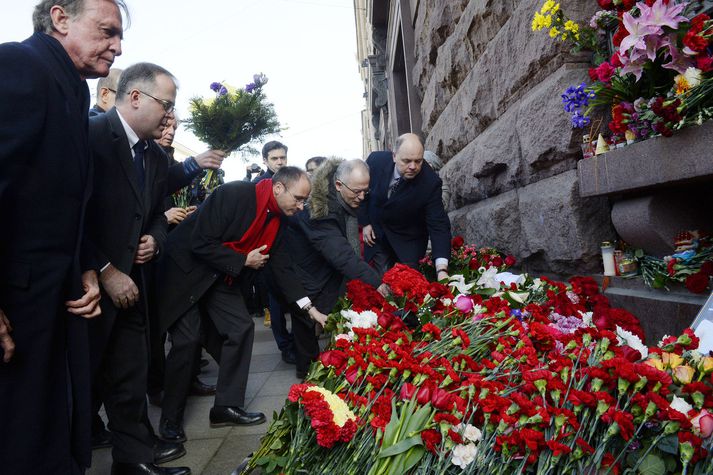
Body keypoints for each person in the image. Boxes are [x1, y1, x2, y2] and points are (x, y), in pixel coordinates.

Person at [0, 1, 124, 473]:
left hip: (58, 300)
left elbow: (61, 203)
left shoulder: (70, 88)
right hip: (18, 306)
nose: (117, 45)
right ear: (60, 17)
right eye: (106, 31)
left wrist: (87, 266)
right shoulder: (18, 66)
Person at [156, 167, 329, 442]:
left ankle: (225, 407)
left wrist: (311, 309)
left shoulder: (279, 220)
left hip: (220, 274)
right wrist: (242, 261)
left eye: (303, 201)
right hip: (185, 271)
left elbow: (284, 269)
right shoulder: (235, 193)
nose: (300, 206)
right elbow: (199, 242)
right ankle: (170, 422)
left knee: (240, 327)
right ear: (278, 188)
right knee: (187, 341)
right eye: (297, 198)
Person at [86, 62, 189, 475]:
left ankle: (133, 463)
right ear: (134, 98)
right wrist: (106, 269)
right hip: (89, 290)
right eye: (165, 105)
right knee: (81, 386)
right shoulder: (90, 138)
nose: (169, 115)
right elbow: (65, 215)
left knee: (130, 379)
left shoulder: (156, 157)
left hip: (133, 290)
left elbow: (160, 216)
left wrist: (155, 239)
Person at [284, 159, 388, 377]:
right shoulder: (319, 211)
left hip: (324, 264)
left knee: (327, 314)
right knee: (306, 321)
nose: (362, 198)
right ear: (339, 185)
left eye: (365, 192)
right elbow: (342, 255)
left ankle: (328, 364)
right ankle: (307, 374)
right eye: (357, 192)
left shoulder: (343, 196)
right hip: (305, 268)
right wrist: (377, 283)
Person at [360, 133, 452, 280]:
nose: (413, 167)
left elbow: (438, 225)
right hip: (377, 233)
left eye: (418, 161)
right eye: (407, 161)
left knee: (409, 286)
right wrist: (365, 223)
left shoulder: (430, 183)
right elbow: (362, 192)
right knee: (379, 284)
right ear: (394, 156)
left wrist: (442, 269)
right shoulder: (375, 161)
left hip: (408, 240)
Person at [253, 141, 295, 362]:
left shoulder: (293, 179)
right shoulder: (259, 184)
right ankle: (284, 346)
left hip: (291, 247)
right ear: (265, 160)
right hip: (268, 251)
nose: (279, 162)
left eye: (282, 158)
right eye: (274, 158)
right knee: (276, 301)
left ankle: (296, 341)